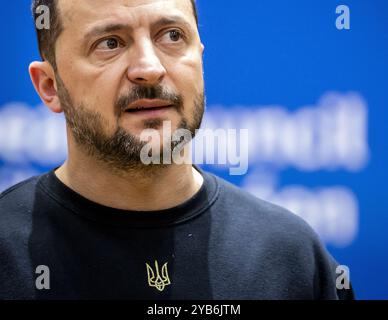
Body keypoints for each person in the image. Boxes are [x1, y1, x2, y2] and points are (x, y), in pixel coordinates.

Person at [0, 0, 354, 299]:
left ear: (200, 58)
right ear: (50, 86)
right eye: (109, 43)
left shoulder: (291, 257)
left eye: (172, 36)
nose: (150, 69)